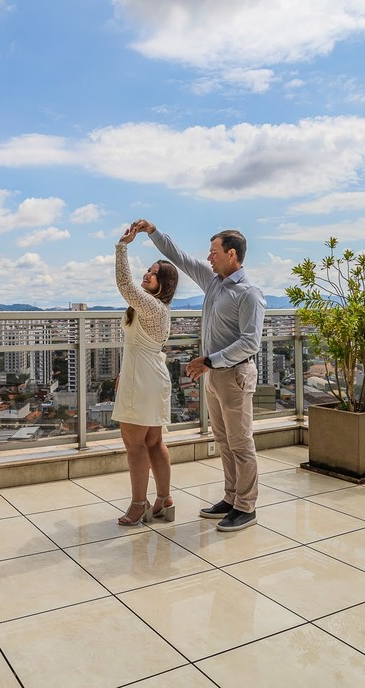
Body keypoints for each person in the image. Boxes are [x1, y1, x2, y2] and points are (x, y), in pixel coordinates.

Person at [132, 220, 266, 532]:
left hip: (235, 374)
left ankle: (246, 507)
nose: (208, 257)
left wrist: (209, 359)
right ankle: (231, 498)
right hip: (215, 376)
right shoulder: (213, 282)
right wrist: (153, 231)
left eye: (213, 251)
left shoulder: (249, 293)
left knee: (241, 443)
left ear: (231, 254)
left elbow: (250, 342)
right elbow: (179, 257)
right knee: (224, 440)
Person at [112, 224, 180, 526]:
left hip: (141, 378)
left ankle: (138, 504)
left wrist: (122, 247)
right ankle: (164, 499)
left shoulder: (151, 307)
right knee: (154, 442)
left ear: (162, 282)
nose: (145, 275)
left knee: (135, 446)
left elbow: (125, 285)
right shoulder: (159, 309)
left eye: (152, 273)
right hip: (149, 375)